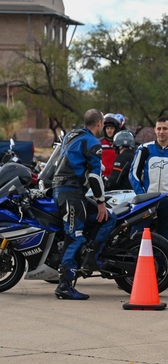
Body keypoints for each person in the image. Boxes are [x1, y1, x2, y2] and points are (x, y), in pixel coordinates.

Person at [51, 109, 118, 300]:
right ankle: (64, 286)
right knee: (74, 235)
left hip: (64, 189)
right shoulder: (93, 142)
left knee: (109, 219)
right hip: (71, 192)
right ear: (100, 123)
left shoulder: (72, 135)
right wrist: (101, 203)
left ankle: (90, 258)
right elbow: (95, 178)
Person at [130, 116, 168, 242]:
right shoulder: (144, 149)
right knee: (138, 234)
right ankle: (134, 260)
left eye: (165, 129)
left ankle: (161, 261)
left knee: (164, 237)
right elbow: (133, 174)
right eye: (159, 128)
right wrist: (142, 195)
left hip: (167, 200)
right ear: (155, 130)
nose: (161, 132)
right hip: (147, 200)